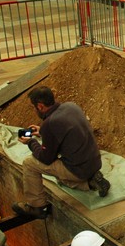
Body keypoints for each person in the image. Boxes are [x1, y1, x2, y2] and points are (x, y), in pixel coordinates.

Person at [12, 86, 110, 218]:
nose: (34, 110)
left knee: (29, 163)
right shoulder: (70, 106)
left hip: (77, 170)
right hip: (94, 162)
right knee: (61, 177)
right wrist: (42, 132)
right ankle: (92, 182)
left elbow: (46, 158)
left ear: (40, 106)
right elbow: (65, 132)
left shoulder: (50, 124)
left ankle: (37, 207)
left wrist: (30, 142)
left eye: (33, 107)